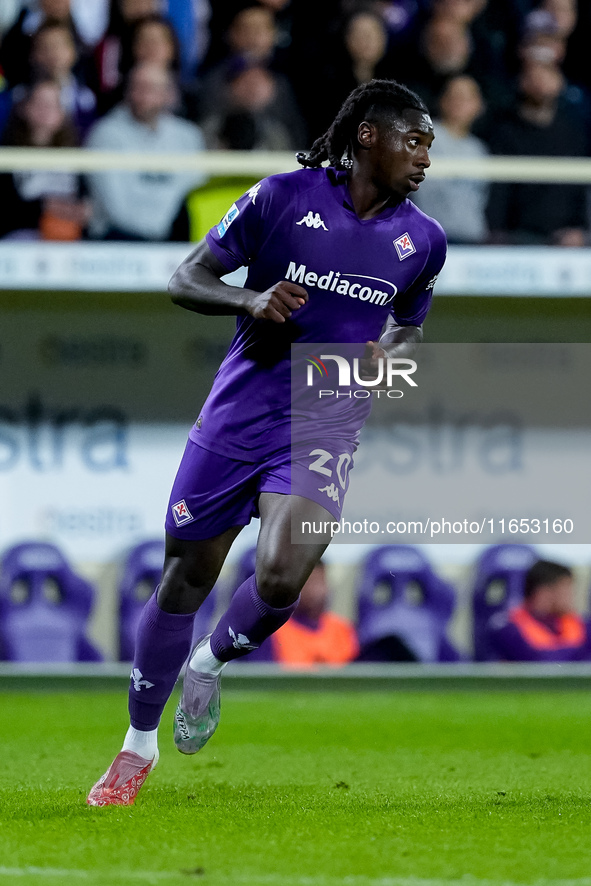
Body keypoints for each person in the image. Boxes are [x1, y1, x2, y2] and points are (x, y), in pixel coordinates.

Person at [86, 77, 447, 806]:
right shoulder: (281, 198)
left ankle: (209, 665)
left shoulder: (423, 241)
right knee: (187, 578)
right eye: (415, 141)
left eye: (430, 147)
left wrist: (393, 353)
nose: (426, 160)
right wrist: (250, 297)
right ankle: (135, 749)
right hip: (240, 412)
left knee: (283, 575)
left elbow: (409, 323)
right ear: (368, 136)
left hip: (324, 411)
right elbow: (185, 278)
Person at [85, 63, 206, 241]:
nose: (143, 95)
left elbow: (190, 192)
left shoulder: (188, 136)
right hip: (118, 238)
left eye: (152, 88)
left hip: (172, 236)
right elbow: (117, 208)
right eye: (137, 86)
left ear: (168, 94)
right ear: (127, 91)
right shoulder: (104, 134)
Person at [0, 79, 90, 241]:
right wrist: (43, 207)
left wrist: (83, 210)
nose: (45, 110)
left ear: (62, 112)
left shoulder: (76, 155)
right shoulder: (7, 154)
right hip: (20, 239)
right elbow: (5, 209)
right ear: (24, 107)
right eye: (39, 103)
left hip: (68, 237)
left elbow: (85, 200)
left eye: (52, 104)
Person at [413, 74, 489, 243]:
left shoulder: (478, 148)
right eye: (454, 95)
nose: (459, 102)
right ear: (442, 100)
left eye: (467, 97)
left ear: (479, 105)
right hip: (431, 237)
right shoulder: (424, 139)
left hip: (472, 240)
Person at [249, 562, 359, 667]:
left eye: (322, 581)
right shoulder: (273, 632)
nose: (319, 591)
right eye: (311, 583)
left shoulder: (343, 629)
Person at [485, 560, 591, 662]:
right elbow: (539, 662)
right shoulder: (508, 628)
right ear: (544, 592)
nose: (571, 596)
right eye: (566, 589)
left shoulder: (582, 625)